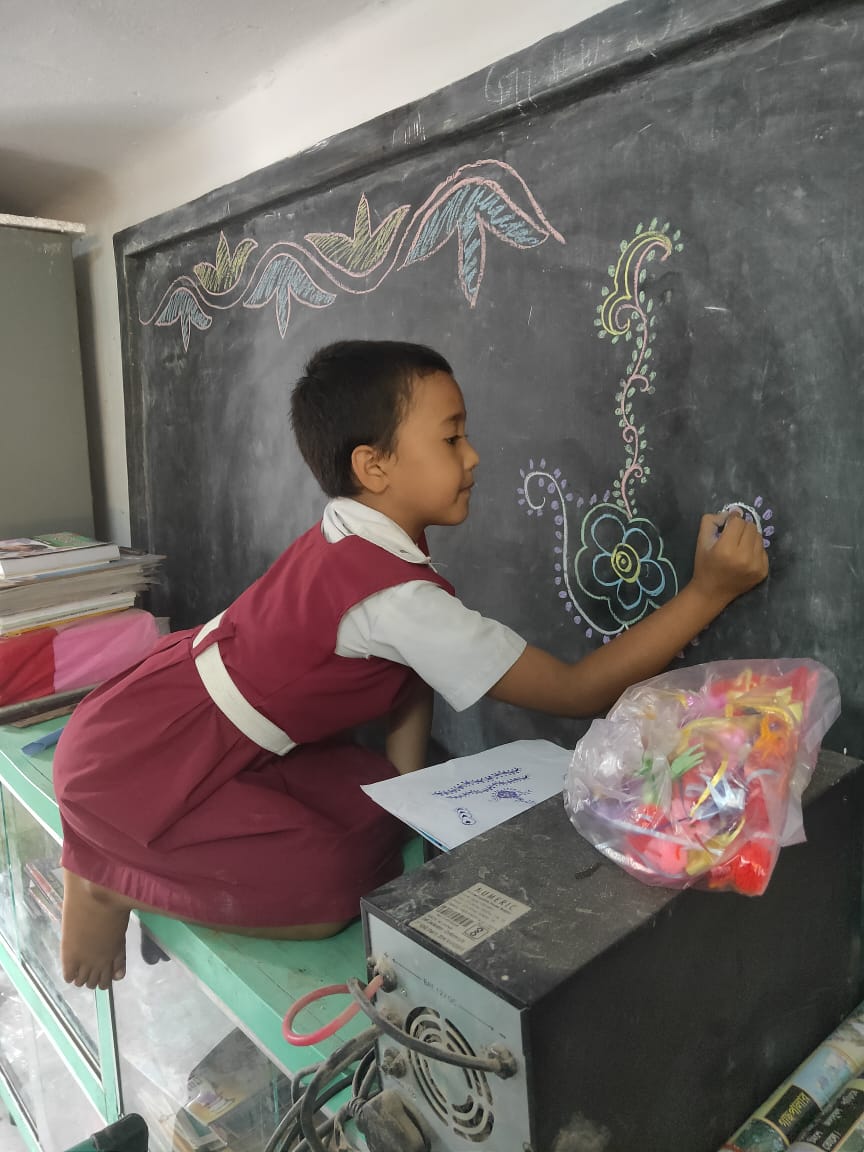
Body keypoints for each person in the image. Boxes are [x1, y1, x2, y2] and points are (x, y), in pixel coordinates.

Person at [55, 340, 768, 990]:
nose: (474, 456)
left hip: (173, 721)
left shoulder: (356, 531)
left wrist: (406, 794)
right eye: (452, 437)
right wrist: (708, 592)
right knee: (327, 896)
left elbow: (404, 673)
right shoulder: (397, 598)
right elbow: (578, 690)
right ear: (374, 466)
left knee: (372, 818)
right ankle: (107, 879)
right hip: (144, 762)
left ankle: (118, 860)